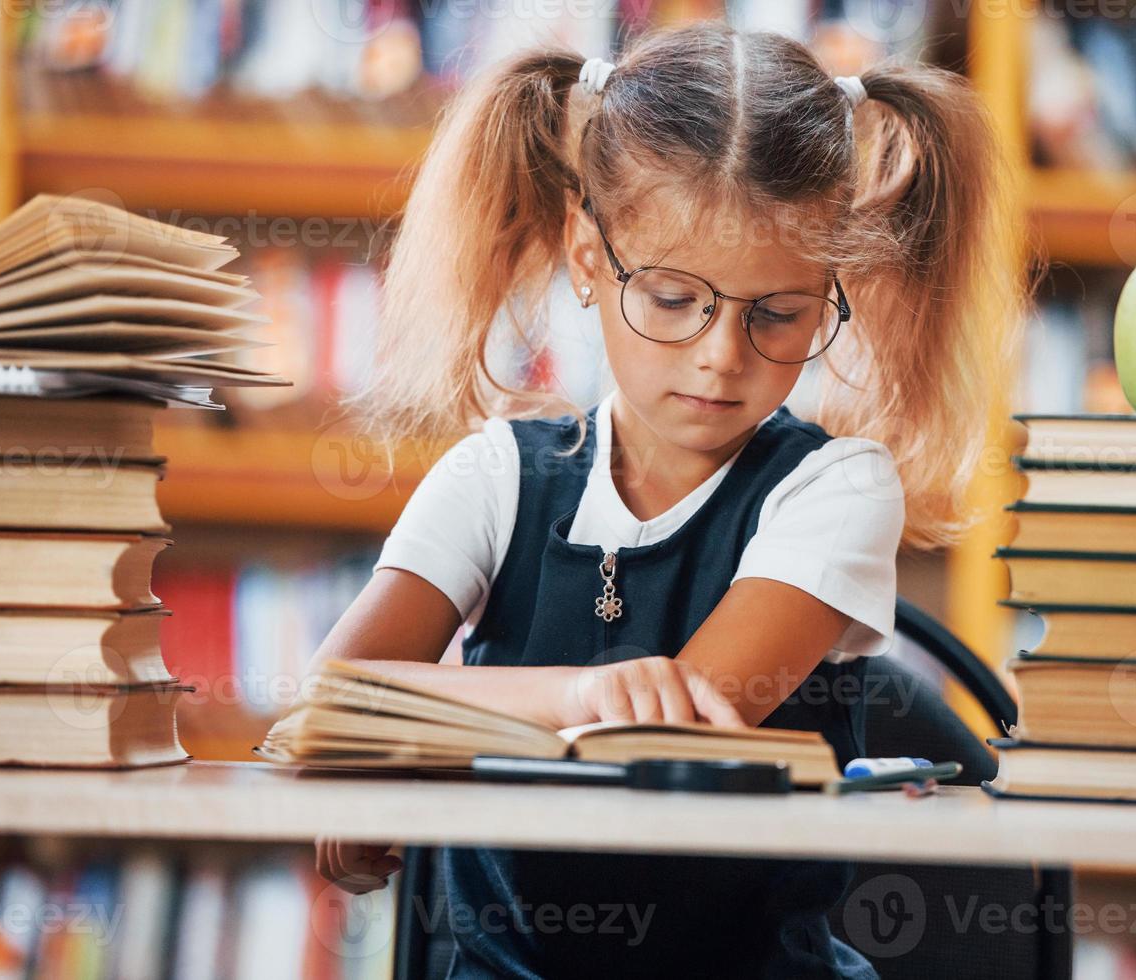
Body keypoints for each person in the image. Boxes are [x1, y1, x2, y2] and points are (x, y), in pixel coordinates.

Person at [309, 19, 1023, 978]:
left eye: (778, 312)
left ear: (830, 291)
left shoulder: (837, 490)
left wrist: (417, 735)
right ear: (589, 260)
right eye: (675, 299)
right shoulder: (494, 477)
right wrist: (574, 693)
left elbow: (666, 739)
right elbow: (332, 701)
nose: (722, 356)